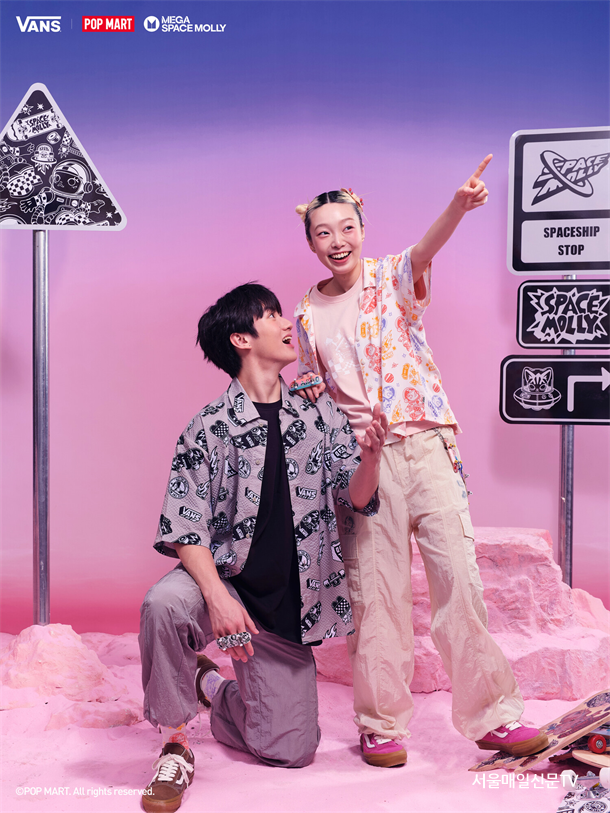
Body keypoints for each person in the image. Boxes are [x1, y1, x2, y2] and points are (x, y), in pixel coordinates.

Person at [292, 157, 548, 768]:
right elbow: (315, 392)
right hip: (366, 465)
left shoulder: (390, 277)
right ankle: (380, 726)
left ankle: (495, 717)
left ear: (363, 229)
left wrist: (458, 206)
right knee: (376, 597)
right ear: (310, 243)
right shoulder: (305, 314)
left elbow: (425, 249)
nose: (337, 241)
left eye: (347, 227)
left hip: (427, 446)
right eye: (323, 232)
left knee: (459, 581)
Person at [139, 283, 387, 811]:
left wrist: (370, 458)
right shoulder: (208, 427)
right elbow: (185, 526)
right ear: (242, 339)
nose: (285, 322)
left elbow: (358, 498)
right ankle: (175, 744)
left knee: (293, 750)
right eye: (272, 315)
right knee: (163, 604)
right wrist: (218, 598)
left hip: (284, 608)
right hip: (223, 580)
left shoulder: (318, 413)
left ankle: (213, 689)